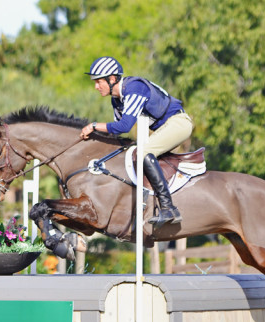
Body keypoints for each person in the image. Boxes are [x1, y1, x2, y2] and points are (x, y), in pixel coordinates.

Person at [80, 56, 194, 228]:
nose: (96, 87)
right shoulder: (116, 99)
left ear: (112, 79)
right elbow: (116, 135)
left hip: (179, 123)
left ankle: (168, 208)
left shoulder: (134, 88)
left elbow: (123, 126)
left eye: (98, 82)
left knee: (143, 152)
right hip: (165, 128)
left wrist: (94, 126)